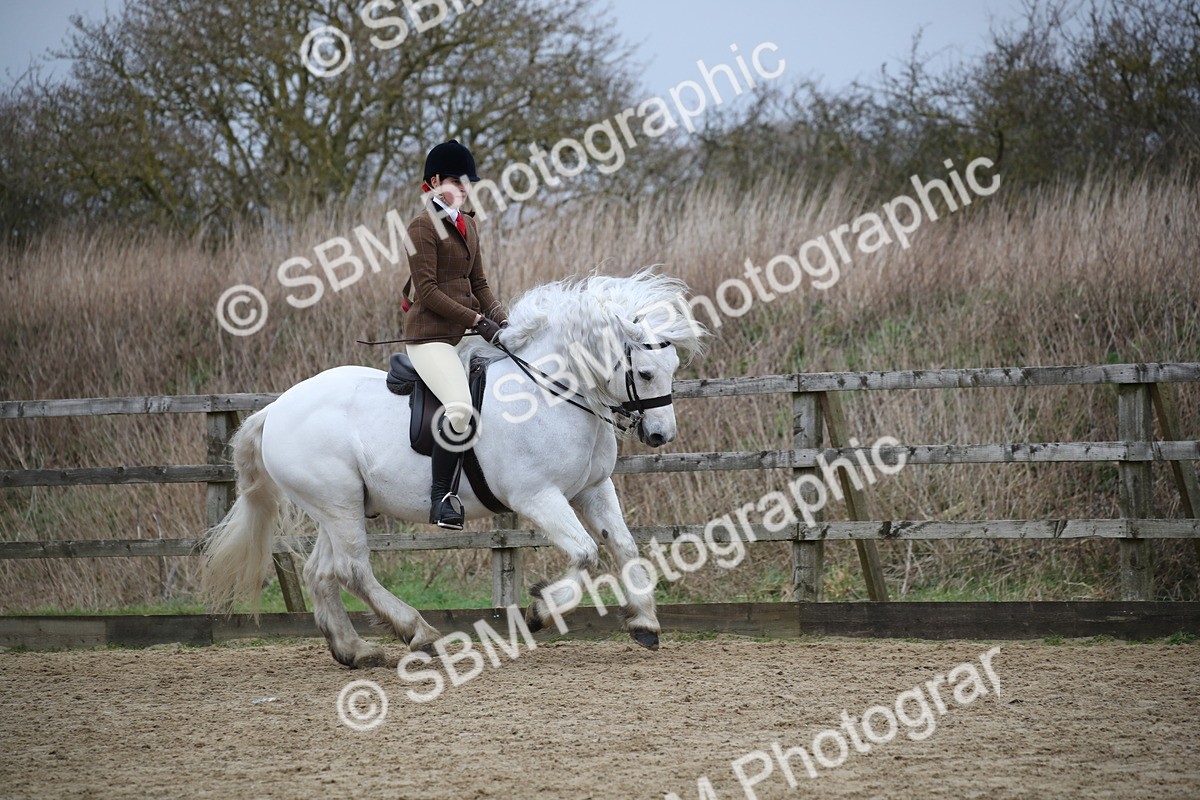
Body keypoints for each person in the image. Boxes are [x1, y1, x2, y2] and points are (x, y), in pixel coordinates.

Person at [403, 139, 508, 530]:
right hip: (430, 338)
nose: (463, 189)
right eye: (455, 182)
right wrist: (478, 321)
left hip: (465, 333)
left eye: (467, 183)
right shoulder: (421, 228)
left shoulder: (469, 224)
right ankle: (442, 498)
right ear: (433, 182)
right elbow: (428, 291)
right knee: (460, 408)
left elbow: (480, 284)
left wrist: (504, 323)